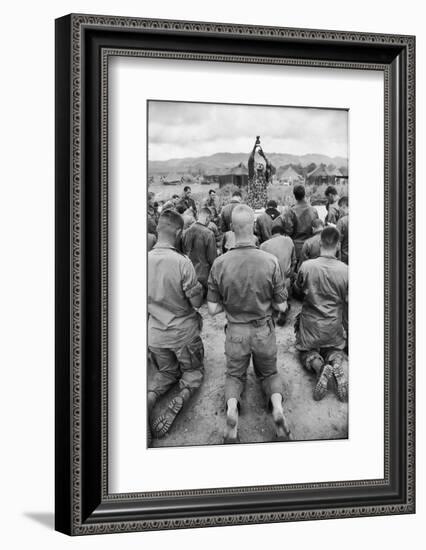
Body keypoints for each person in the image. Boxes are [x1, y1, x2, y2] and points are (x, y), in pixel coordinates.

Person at [207, 204, 292, 443]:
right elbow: (282, 306)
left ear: (232, 229)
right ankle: (277, 409)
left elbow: (212, 309)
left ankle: (232, 410)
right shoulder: (270, 261)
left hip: (235, 332)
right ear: (253, 227)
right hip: (263, 330)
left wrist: (232, 306)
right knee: (269, 373)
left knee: (234, 376)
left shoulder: (220, 264)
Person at [147, 210, 205, 444]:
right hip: (183, 335)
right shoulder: (182, 263)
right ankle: (184, 393)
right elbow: (196, 302)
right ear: (179, 232)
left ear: (158, 229)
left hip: (156, 338)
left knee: (166, 372)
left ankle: (150, 399)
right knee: (193, 372)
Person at [294, 226, 348, 402]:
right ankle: (336, 364)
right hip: (333, 326)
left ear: (320, 243)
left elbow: (298, 290)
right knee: (334, 350)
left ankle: (319, 367)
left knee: (305, 351)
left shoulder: (307, 266)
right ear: (338, 245)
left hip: (310, 325)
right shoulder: (346, 270)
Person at [260, 225, 297, 326]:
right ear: (282, 233)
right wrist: (290, 273)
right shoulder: (289, 240)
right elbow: (294, 261)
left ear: (272, 234)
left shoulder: (263, 245)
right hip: (286, 281)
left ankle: (273, 308)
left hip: (270, 281)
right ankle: (283, 307)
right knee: (286, 288)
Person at [274, 184, 319, 262]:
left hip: (296, 247)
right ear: (304, 194)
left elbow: (289, 231)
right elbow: (317, 228)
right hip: (312, 246)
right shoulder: (313, 210)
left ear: (294, 196)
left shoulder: (291, 211)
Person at [183, 207, 217, 296]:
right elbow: (212, 258)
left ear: (198, 215)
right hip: (204, 275)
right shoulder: (209, 234)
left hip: (189, 274)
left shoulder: (186, 232)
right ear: (208, 217)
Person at [247, 137, 275, 209]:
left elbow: (269, 165)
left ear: (263, 170)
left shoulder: (265, 177)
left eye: (261, 166)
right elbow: (250, 161)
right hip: (252, 206)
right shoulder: (252, 176)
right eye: (258, 166)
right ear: (256, 168)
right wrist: (254, 148)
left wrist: (264, 155)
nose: (259, 166)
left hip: (263, 206)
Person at [336, 195, 349, 264]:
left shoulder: (342, 221)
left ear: (343, 206)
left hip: (345, 259)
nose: (339, 209)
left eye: (339, 207)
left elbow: (337, 242)